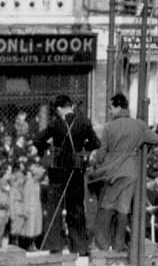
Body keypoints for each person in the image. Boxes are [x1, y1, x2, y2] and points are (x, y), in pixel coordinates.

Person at [89, 92, 158, 252]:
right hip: (131, 171)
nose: (109, 111)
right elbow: (156, 139)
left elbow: (102, 152)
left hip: (113, 171)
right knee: (123, 208)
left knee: (106, 206)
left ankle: (103, 244)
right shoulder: (139, 125)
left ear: (118, 107)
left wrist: (97, 163)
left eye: (111, 108)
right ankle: (118, 246)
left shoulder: (109, 126)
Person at [34, 93, 100, 255]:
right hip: (76, 171)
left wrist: (47, 150)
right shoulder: (84, 122)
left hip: (57, 171)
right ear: (70, 106)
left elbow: (38, 140)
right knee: (76, 209)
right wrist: (83, 148)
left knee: (55, 208)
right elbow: (96, 143)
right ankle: (79, 246)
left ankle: (55, 245)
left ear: (58, 109)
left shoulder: (56, 123)